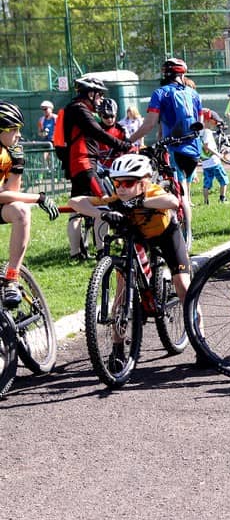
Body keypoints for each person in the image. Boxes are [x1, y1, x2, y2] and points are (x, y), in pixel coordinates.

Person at [68, 153, 199, 365]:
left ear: (144, 182)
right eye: (117, 182)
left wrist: (140, 202)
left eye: (128, 183)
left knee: (183, 285)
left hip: (166, 235)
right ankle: (118, 349)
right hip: (137, 238)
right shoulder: (116, 199)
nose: (121, 188)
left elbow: (172, 201)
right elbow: (74, 201)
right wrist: (101, 214)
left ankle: (200, 342)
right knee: (121, 293)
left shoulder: (152, 191)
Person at [128, 58, 203, 251]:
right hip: (194, 150)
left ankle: (182, 239)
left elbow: (149, 124)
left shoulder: (160, 93)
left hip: (175, 149)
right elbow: (199, 122)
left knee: (178, 193)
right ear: (182, 74)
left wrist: (129, 140)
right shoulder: (194, 93)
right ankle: (187, 233)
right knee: (184, 190)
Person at [61, 76, 132, 261]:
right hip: (85, 164)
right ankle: (102, 251)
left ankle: (75, 253)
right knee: (104, 203)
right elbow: (98, 133)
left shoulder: (72, 108)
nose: (100, 100)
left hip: (77, 164)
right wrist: (124, 145)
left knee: (77, 210)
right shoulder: (80, 109)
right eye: (99, 95)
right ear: (90, 94)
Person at [0, 101, 59, 307]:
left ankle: (12, 277)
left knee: (21, 211)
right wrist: (38, 198)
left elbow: (12, 193)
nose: (18, 135)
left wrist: (17, 167)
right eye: (14, 129)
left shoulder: (6, 152)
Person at [199, 109, 229, 204]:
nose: (216, 123)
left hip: (205, 163)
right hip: (214, 162)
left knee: (207, 183)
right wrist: (218, 154)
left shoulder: (199, 132)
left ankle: (206, 202)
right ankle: (222, 198)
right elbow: (206, 147)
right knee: (224, 180)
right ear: (207, 120)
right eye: (215, 121)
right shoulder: (207, 132)